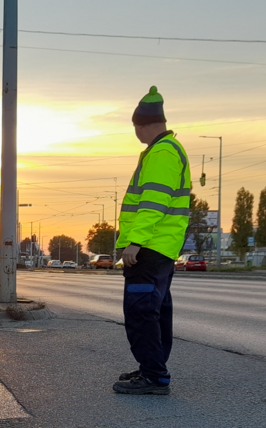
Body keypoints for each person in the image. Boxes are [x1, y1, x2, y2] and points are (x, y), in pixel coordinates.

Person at [112, 86, 191, 395]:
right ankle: (151, 368)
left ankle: (155, 377)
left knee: (141, 312)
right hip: (160, 248)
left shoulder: (162, 153)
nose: (136, 134)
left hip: (150, 248)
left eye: (135, 128)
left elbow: (153, 204)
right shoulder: (166, 151)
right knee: (155, 312)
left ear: (142, 124)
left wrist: (135, 242)